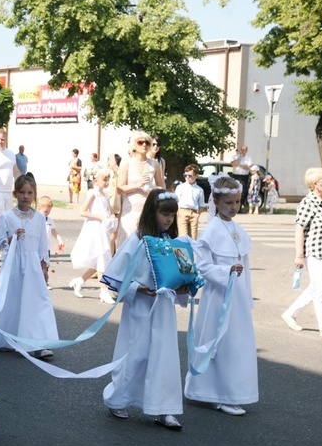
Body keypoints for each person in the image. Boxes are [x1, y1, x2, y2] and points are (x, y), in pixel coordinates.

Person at [101, 189, 190, 430]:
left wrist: (184, 287)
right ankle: (118, 398)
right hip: (140, 308)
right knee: (135, 353)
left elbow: (183, 273)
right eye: (164, 214)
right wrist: (138, 289)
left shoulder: (174, 244)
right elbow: (116, 276)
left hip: (163, 308)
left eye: (172, 214)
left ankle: (163, 408)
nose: (169, 219)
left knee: (165, 356)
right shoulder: (137, 241)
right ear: (152, 212)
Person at [185, 175, 257, 416]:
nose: (234, 207)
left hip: (236, 296)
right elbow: (203, 267)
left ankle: (232, 391)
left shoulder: (237, 228)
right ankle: (218, 393)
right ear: (216, 201)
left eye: (237, 202)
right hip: (219, 297)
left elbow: (243, 264)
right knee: (220, 343)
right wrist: (225, 271)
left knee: (236, 343)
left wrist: (247, 297)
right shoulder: (211, 231)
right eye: (229, 203)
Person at [0, 173, 58, 358]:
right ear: (15, 194)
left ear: (34, 194)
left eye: (30, 192)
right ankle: (5, 338)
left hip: (32, 265)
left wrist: (44, 266)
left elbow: (42, 245)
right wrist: (11, 237)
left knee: (35, 302)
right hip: (14, 264)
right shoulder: (6, 217)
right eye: (22, 192)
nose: (26, 196)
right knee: (12, 300)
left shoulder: (40, 218)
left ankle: (37, 342)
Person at [281, 168, 322, 339]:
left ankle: (290, 314)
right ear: (316, 184)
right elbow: (299, 229)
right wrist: (299, 255)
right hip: (315, 252)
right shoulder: (307, 203)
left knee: (316, 287)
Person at [69, 169, 117, 303]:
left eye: (108, 180)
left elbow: (109, 210)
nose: (106, 182)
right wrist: (100, 217)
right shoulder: (93, 193)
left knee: (100, 260)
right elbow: (82, 211)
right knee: (102, 257)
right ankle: (104, 291)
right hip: (94, 228)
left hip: (103, 229)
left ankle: (80, 280)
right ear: (96, 180)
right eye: (104, 180)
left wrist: (111, 217)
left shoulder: (105, 195)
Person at [116, 131, 165, 245]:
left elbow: (161, 187)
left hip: (149, 209)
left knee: (147, 245)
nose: (144, 145)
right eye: (140, 142)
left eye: (147, 142)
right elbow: (120, 188)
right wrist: (137, 185)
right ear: (134, 145)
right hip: (131, 211)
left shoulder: (154, 164)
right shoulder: (127, 162)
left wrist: (153, 189)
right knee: (129, 245)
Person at [36, 196, 64, 290]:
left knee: (46, 266)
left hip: (46, 248)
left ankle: (44, 282)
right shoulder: (35, 219)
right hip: (37, 247)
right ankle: (37, 282)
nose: (47, 212)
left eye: (49, 210)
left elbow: (54, 231)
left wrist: (59, 239)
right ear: (38, 208)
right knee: (38, 265)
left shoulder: (49, 220)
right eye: (45, 211)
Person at [175, 164, 206, 239]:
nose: (187, 177)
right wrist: (178, 212)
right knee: (183, 235)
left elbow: (201, 204)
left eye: (190, 175)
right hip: (182, 211)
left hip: (194, 212)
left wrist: (198, 214)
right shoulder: (180, 187)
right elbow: (176, 200)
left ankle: (191, 250)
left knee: (193, 236)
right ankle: (183, 249)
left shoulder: (199, 190)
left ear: (196, 176)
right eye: (185, 175)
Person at [106, 153, 122, 254]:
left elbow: (116, 194)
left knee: (113, 236)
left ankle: (111, 260)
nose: (108, 163)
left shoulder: (119, 174)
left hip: (116, 208)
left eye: (109, 160)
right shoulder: (113, 174)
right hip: (112, 207)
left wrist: (113, 210)